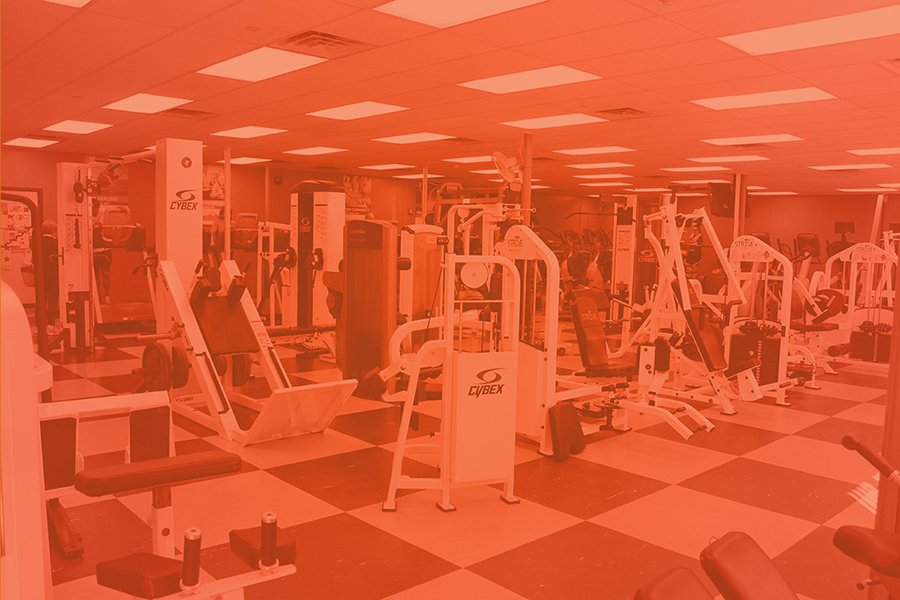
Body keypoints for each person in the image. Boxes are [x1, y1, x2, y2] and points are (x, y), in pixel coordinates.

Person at [41, 220, 59, 326]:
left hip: (40, 274)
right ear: (53, 230)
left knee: (41, 300)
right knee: (53, 299)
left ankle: (39, 324)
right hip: (53, 274)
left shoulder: (37, 242)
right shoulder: (55, 243)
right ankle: (51, 323)